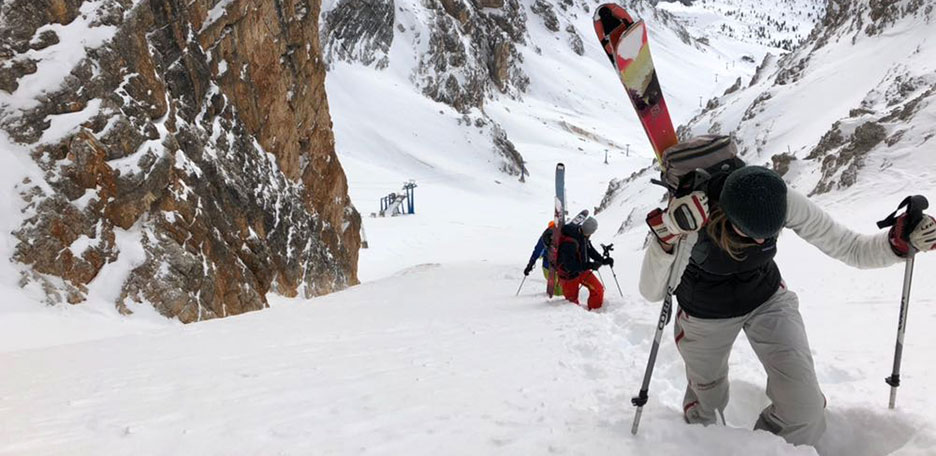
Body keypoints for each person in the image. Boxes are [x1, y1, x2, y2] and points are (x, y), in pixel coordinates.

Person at [639, 165, 936, 446]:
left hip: (766, 299)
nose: (761, 241)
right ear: (726, 215)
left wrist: (898, 243)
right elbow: (652, 291)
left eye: (770, 232)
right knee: (706, 408)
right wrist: (667, 235)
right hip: (704, 314)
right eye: (749, 232)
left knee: (805, 410)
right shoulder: (694, 218)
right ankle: (704, 445)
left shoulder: (779, 198)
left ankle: (768, 450)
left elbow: (850, 247)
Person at [557, 217, 613, 310]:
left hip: (582, 270)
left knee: (598, 289)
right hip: (568, 276)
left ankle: (595, 311)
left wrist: (603, 260)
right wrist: (590, 265)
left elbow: (590, 251)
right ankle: (579, 318)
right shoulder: (569, 243)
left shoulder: (583, 236)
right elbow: (569, 266)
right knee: (572, 304)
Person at [524, 221, 562, 295]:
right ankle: (559, 300)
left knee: (554, 288)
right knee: (561, 289)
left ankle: (553, 298)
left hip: (547, 267)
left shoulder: (544, 238)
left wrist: (530, 265)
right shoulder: (562, 236)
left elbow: (536, 252)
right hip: (560, 268)